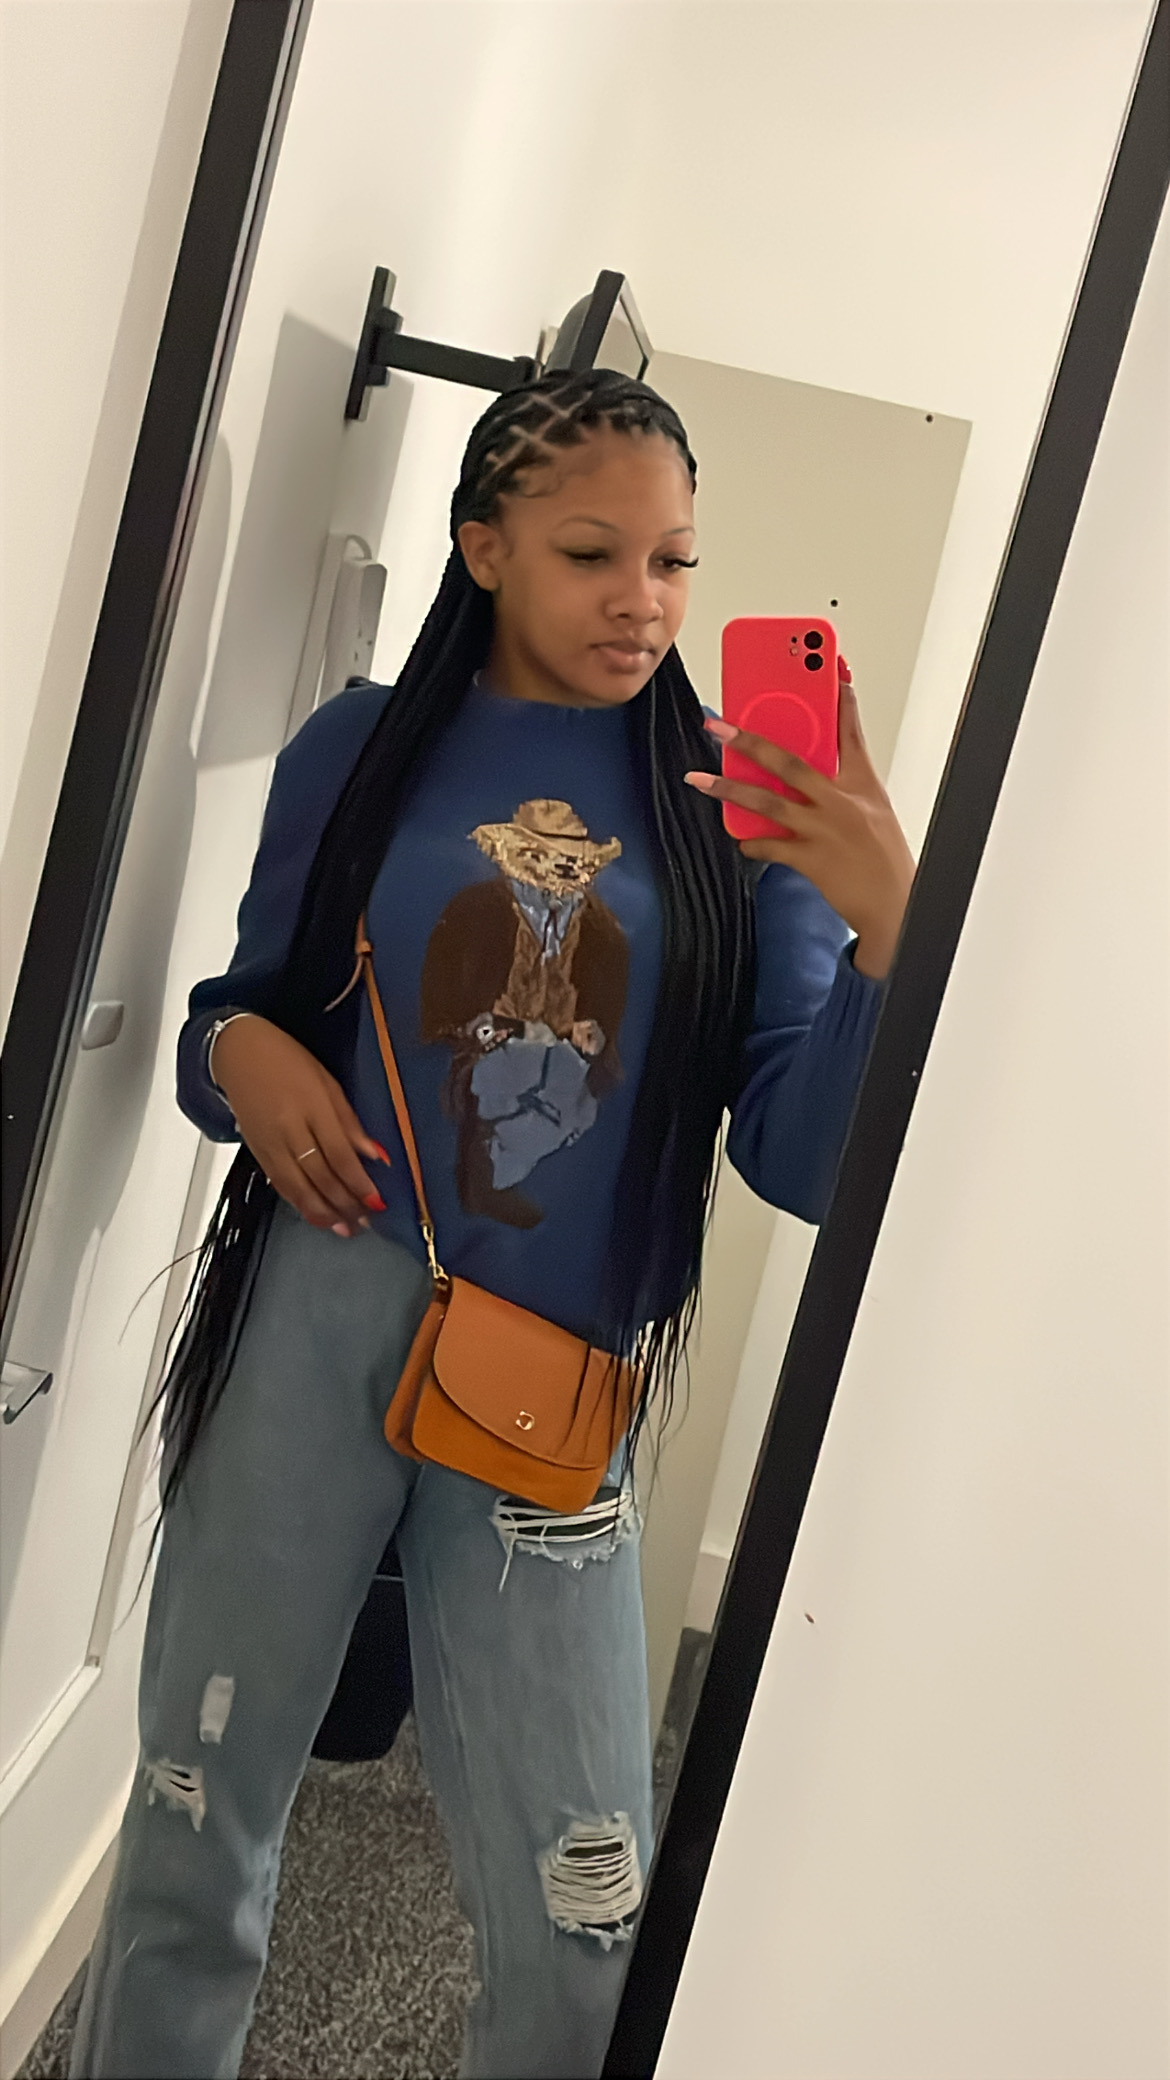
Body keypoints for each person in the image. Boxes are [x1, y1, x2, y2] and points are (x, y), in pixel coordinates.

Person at [70, 369, 915, 2080]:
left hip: (556, 1372)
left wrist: (888, 927)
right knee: (192, 1824)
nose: (642, 601)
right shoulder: (362, 746)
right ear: (484, 548)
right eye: (592, 553)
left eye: (673, 562)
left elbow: (808, 1161)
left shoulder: (733, 808)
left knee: (587, 1919)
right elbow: (236, 1014)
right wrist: (242, 1057)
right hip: (313, 1312)